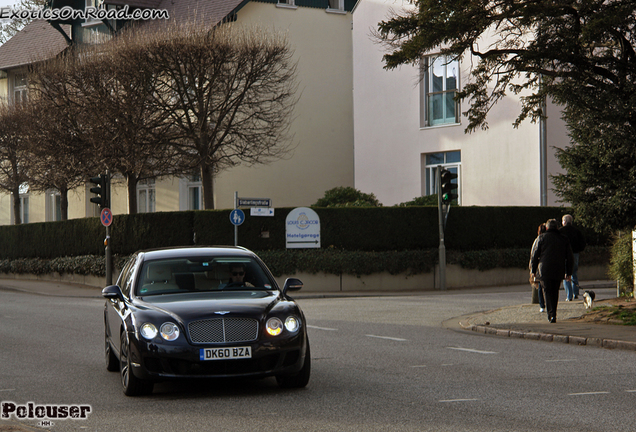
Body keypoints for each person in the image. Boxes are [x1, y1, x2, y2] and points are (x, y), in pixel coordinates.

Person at [530, 219, 574, 323]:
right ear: (557, 227)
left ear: (546, 227)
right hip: (558, 269)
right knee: (555, 291)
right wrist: (569, 273)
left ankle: (551, 314)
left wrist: (533, 270)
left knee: (547, 291)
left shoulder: (542, 238)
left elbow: (535, 255)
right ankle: (553, 312)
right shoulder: (564, 239)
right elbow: (570, 257)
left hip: (544, 269)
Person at [559, 214, 586, 301]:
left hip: (564, 255)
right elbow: (582, 243)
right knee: (574, 273)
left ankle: (569, 295)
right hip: (575, 253)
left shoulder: (560, 231)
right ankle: (575, 293)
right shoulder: (576, 231)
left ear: (564, 222)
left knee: (566, 274)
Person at [529, 223, 547, 312]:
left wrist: (532, 268)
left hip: (539, 266)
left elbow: (533, 254)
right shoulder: (548, 239)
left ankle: (542, 305)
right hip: (547, 265)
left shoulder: (538, 240)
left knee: (540, 285)